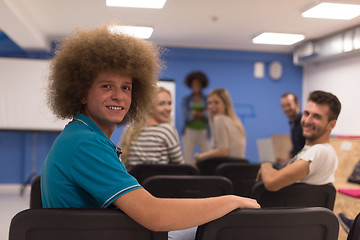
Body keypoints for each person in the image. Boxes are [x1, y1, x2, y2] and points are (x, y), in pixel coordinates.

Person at [40, 23, 260, 237]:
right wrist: (232, 200)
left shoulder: (82, 135)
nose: (119, 95)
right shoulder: (85, 143)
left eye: (126, 87)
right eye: (106, 86)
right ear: (81, 94)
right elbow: (154, 215)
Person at [257, 90, 341, 191]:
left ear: (331, 124)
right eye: (306, 113)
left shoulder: (319, 151)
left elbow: (271, 182)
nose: (307, 121)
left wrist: (266, 162)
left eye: (316, 116)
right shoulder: (313, 150)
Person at [120, 86, 184, 167]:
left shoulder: (130, 130)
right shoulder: (167, 130)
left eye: (169, 103)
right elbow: (181, 167)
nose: (168, 108)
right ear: (149, 107)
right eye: (162, 104)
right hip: (160, 179)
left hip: (135, 179)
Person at [194, 88, 246, 162]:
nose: (211, 106)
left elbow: (223, 151)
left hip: (226, 169)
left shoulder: (219, 119)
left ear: (225, 104)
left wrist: (198, 156)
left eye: (216, 102)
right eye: (209, 103)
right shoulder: (235, 122)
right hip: (237, 169)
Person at [181, 71, 210, 164]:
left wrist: (194, 113)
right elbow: (187, 117)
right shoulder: (186, 100)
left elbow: (209, 116)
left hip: (204, 132)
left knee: (206, 159)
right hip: (189, 132)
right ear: (190, 85)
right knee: (187, 159)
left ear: (202, 85)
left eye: (198, 84)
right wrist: (201, 113)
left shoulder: (208, 99)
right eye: (194, 84)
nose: (196, 85)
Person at [277, 92, 306, 165]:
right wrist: (287, 159)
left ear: (297, 103)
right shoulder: (292, 123)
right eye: (283, 106)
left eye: (288, 105)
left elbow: (306, 149)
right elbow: (296, 148)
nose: (286, 109)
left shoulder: (304, 123)